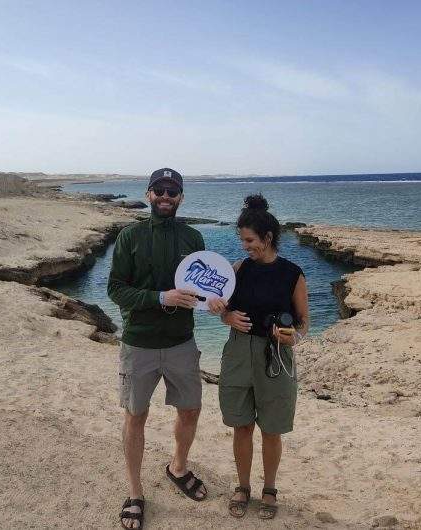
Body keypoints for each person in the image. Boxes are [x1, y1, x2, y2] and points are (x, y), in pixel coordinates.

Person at [107, 168, 208, 529]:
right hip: (139, 342)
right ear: (149, 194)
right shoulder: (129, 236)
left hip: (182, 341)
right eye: (160, 190)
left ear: (181, 197)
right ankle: (135, 493)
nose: (166, 196)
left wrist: (217, 300)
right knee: (136, 416)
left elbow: (205, 287)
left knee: (191, 410)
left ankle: (177, 467)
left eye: (173, 191)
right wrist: (161, 296)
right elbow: (116, 289)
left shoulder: (193, 236)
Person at [208, 194, 309, 520]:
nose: (245, 246)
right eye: (242, 240)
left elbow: (305, 324)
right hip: (238, 352)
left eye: (249, 240)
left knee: (271, 429)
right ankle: (243, 486)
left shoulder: (293, 274)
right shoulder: (238, 269)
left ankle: (270, 489)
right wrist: (225, 317)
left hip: (276, 358)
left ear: (267, 238)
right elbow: (219, 307)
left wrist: (292, 336)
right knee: (241, 426)